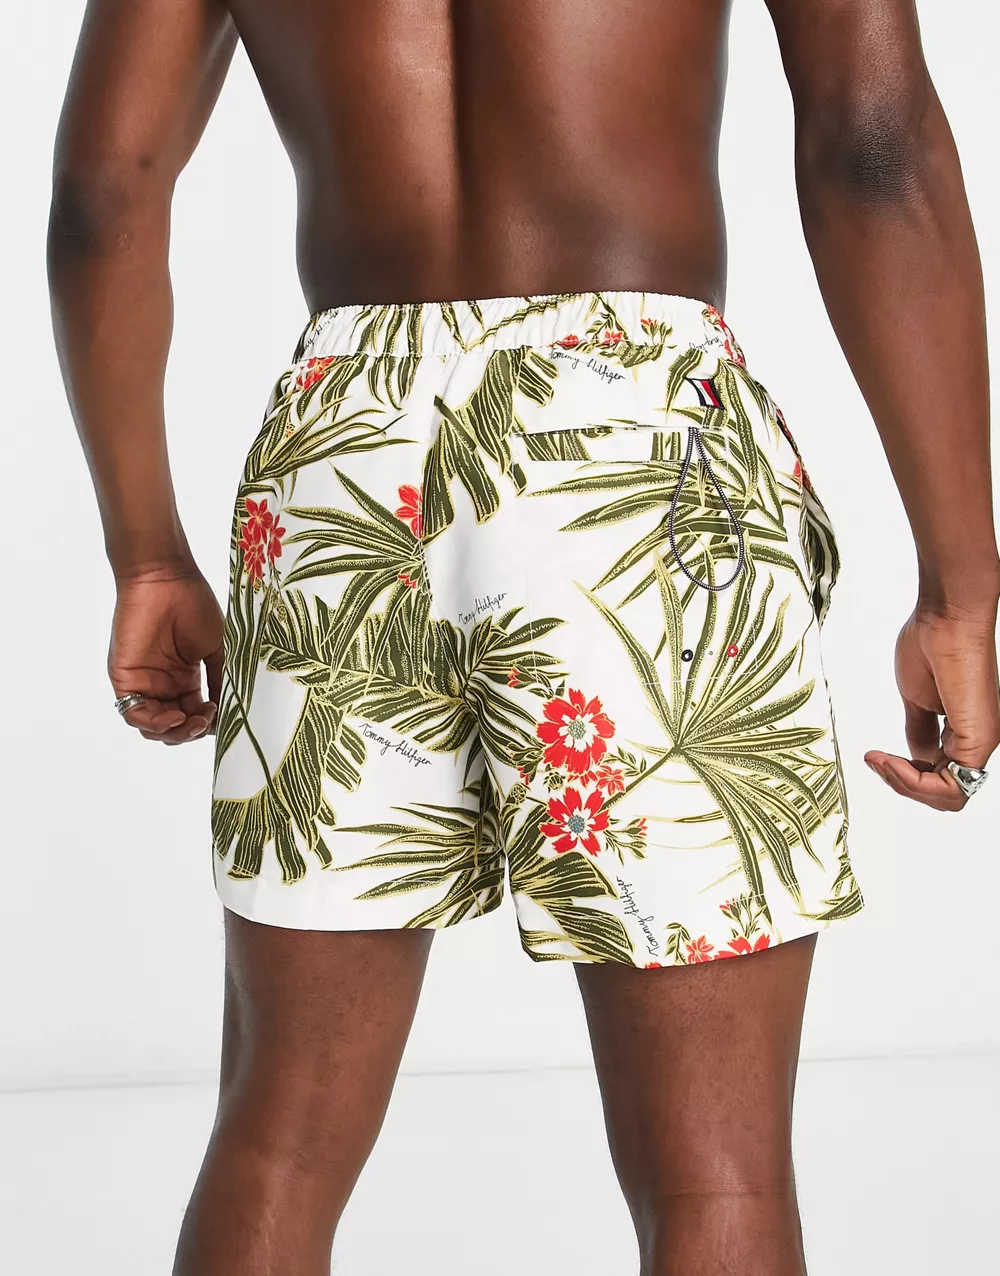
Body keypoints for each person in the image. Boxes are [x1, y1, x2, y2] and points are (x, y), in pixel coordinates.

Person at [48, 1, 999, 1272]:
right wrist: (959, 586)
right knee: (715, 1176)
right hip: (639, 440)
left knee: (276, 1140)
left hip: (347, 445)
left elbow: (102, 196)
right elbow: (873, 147)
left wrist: (147, 552)